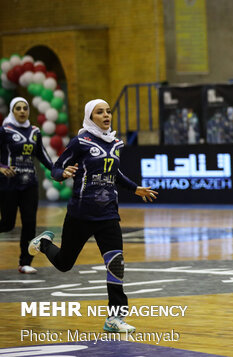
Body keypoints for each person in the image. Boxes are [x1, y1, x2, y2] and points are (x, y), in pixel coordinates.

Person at [28, 99, 158, 333]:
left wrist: (135, 188)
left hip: (108, 214)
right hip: (81, 213)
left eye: (108, 111)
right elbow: (57, 167)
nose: (106, 115)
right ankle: (45, 243)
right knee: (65, 263)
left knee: (116, 263)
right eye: (100, 112)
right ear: (90, 117)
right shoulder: (81, 141)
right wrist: (61, 174)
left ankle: (114, 318)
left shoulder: (116, 142)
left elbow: (114, 172)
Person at [0, 97, 54, 274]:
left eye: (25, 108)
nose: (22, 111)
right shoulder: (5, 130)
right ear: (12, 111)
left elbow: (43, 155)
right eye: (18, 108)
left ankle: (25, 262)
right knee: (7, 224)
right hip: (9, 184)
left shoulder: (35, 131)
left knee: (30, 224)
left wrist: (57, 171)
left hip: (30, 184)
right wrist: (1, 167)